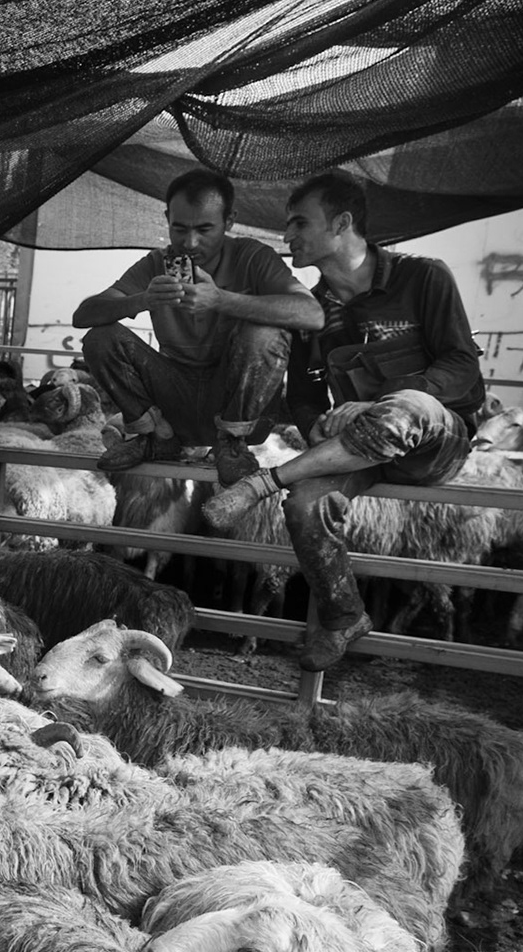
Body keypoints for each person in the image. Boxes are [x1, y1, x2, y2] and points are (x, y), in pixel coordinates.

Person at [201, 169, 484, 672]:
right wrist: (316, 426)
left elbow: (461, 365)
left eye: (298, 224)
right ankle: (344, 614)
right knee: (305, 505)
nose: (287, 237)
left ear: (342, 224)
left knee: (407, 409)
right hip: (356, 446)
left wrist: (390, 400)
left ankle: (264, 482)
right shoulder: (314, 308)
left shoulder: (423, 277)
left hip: (434, 441)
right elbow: (307, 392)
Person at [73, 168, 323, 485]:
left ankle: (232, 444)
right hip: (174, 402)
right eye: (179, 229)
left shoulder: (252, 256)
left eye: (205, 229)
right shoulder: (156, 263)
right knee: (101, 336)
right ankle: (154, 436)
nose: (190, 242)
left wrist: (220, 300)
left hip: (239, 406)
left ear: (229, 221)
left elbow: (312, 314)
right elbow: (83, 315)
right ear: (166, 218)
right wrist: (140, 300)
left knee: (267, 331)